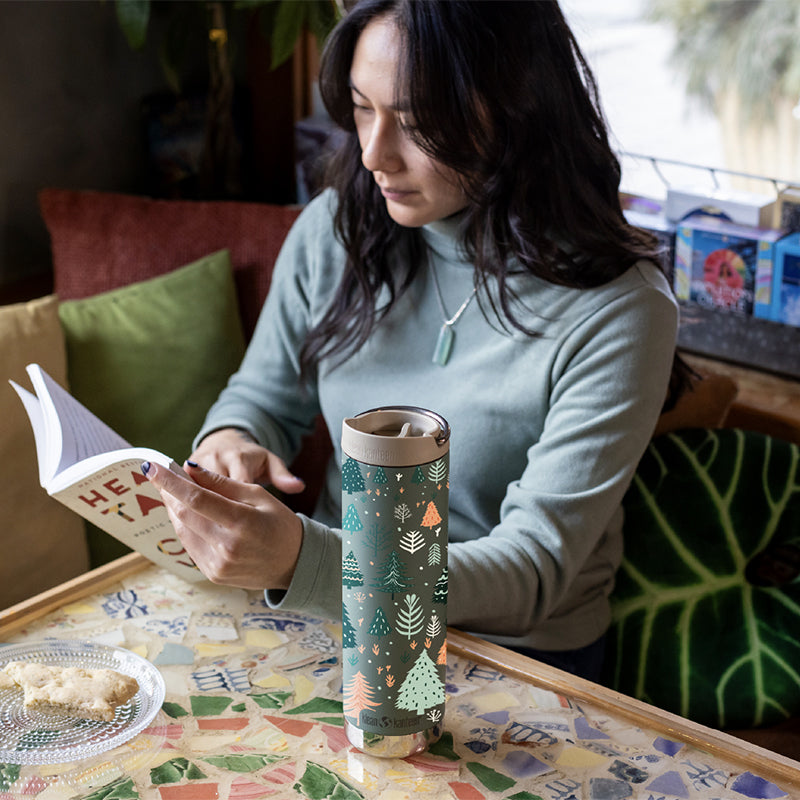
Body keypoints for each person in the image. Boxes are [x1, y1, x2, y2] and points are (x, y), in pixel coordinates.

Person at [142, 0, 689, 682]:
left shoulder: (620, 307)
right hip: (327, 619)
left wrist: (302, 558)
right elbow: (262, 396)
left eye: (419, 122)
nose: (373, 153)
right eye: (361, 108)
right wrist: (230, 441)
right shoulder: (336, 228)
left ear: (516, 106)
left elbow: (532, 569)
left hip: (514, 659)